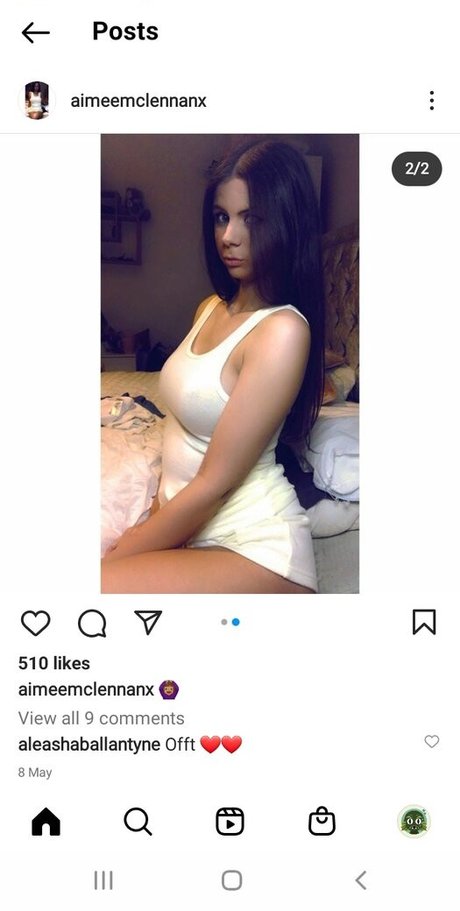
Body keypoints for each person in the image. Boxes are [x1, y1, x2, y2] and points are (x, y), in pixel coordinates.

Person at [102, 140, 324, 594]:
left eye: (251, 219)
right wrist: (152, 523)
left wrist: (125, 551)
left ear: (287, 222)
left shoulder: (282, 331)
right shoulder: (210, 307)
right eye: (222, 216)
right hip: (189, 530)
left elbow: (214, 485)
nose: (228, 236)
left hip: (252, 546)